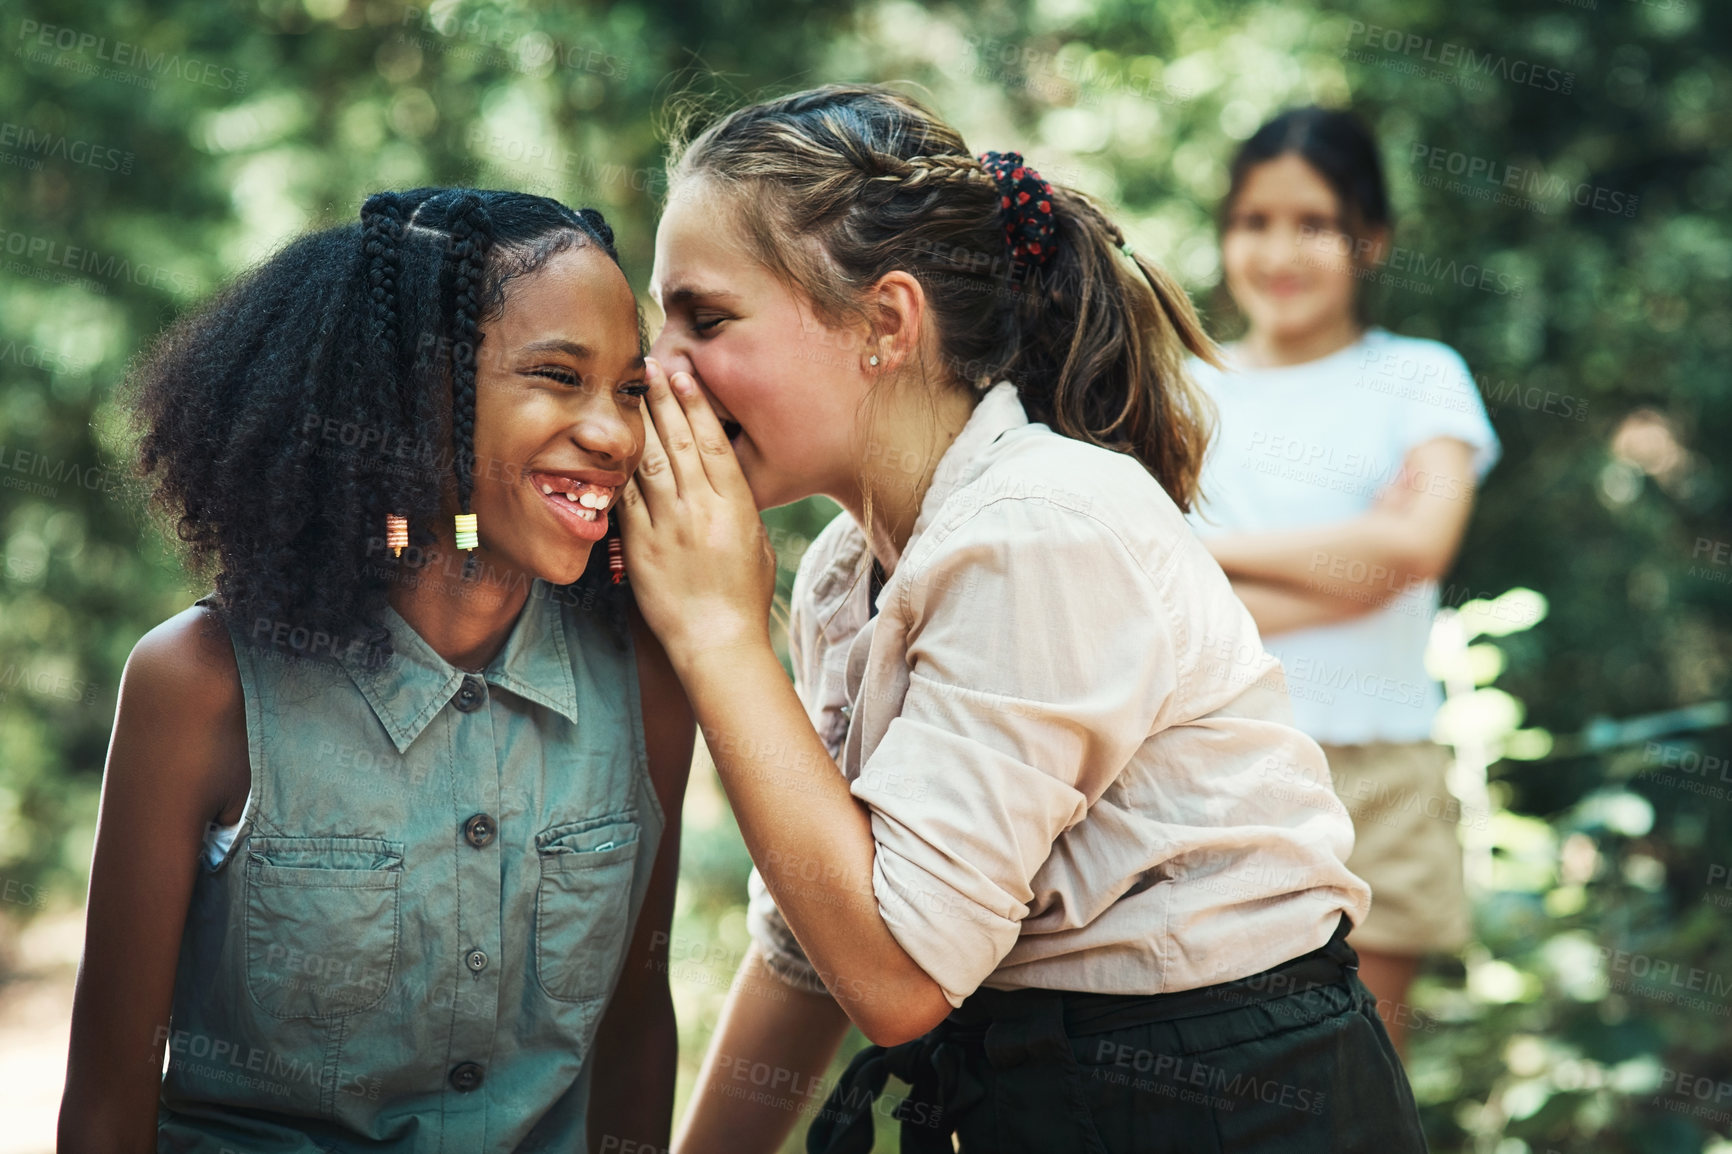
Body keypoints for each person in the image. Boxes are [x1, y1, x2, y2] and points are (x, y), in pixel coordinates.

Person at [619, 84, 1423, 1152]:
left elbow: (896, 973)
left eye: (703, 317)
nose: (656, 368)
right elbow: (814, 944)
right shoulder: (846, 569)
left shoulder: (1042, 525)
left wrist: (718, 632)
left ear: (884, 322)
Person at [57, 188, 695, 1152]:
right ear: (409, 396)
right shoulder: (201, 686)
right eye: (559, 376)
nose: (614, 433)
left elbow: (636, 1027)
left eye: (630, 389)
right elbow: (108, 1106)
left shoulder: (647, 675)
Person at [1186, 106, 1502, 1056]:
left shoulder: (1420, 378)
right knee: (1223, 1081)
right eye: (1255, 220)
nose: (1280, 250)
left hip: (1383, 773)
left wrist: (1214, 556)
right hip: (1220, 769)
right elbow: (1164, 601)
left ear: (1371, 239)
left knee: (1362, 1080)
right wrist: (1362, 562)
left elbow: (1422, 546)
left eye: (1314, 223)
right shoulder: (1182, 389)